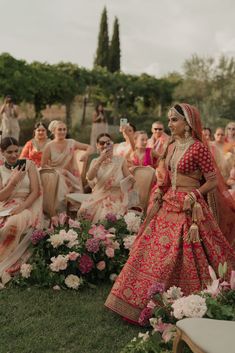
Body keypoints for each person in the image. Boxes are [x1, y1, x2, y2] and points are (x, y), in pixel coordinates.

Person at [105, 103, 235, 324]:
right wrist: (160, 192)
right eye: (169, 120)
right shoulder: (172, 145)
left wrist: (194, 195)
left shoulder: (198, 148)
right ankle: (139, 304)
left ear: (188, 123)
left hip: (188, 207)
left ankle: (186, 306)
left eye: (174, 120)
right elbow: (167, 175)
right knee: (151, 253)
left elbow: (212, 180)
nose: (169, 124)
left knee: (180, 254)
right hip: (168, 204)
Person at [0, 137, 43, 277]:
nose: (13, 155)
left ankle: (5, 263)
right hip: (6, 205)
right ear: (2, 152)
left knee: (12, 224)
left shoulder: (28, 164)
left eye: (16, 151)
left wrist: (22, 207)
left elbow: (36, 191)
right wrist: (13, 182)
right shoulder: (0, 170)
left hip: (27, 205)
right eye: (9, 152)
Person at [78, 133, 135, 223]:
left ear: (112, 144)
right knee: (83, 211)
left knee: (105, 216)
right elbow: (90, 177)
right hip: (99, 195)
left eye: (108, 143)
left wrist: (131, 179)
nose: (105, 145)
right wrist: (101, 159)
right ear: (97, 146)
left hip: (116, 196)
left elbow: (129, 179)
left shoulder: (120, 160)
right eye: (102, 143)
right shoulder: (95, 161)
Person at [41, 120, 94, 214]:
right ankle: (61, 211)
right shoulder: (48, 146)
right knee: (60, 179)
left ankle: (74, 210)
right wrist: (56, 171)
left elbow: (90, 147)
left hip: (69, 174)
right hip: (54, 174)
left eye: (64, 129)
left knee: (67, 179)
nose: (62, 132)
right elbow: (43, 165)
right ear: (53, 131)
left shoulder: (71, 142)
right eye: (60, 129)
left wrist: (86, 154)